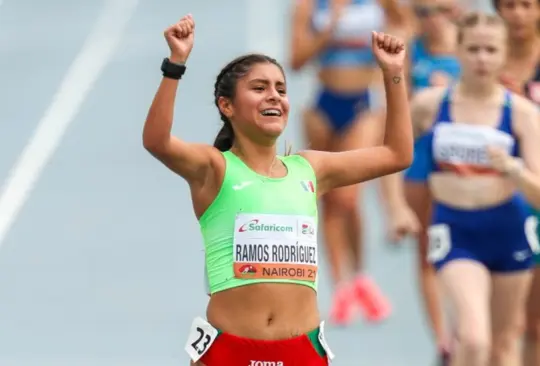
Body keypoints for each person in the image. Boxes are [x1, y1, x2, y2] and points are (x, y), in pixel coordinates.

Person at [143, 14, 412, 366]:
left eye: (281, 89)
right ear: (227, 106)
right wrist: (175, 64)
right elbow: (157, 141)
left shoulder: (310, 169)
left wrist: (393, 74)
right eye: (259, 88)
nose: (274, 96)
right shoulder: (214, 168)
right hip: (230, 352)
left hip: (300, 350)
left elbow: (397, 154)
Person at [398, 12, 540, 366]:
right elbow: (393, 155)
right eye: (473, 49)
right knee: (474, 339)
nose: (481, 58)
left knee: (503, 346)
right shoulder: (430, 105)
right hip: (455, 228)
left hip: (509, 228)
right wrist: (396, 206)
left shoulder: (522, 113)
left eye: (491, 50)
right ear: (457, 50)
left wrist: (515, 170)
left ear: (504, 54)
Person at [289, 0, 408, 326]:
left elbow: (408, 25)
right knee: (327, 200)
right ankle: (342, 286)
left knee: (348, 197)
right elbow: (296, 60)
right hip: (322, 106)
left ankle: (361, 277)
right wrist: (327, 30)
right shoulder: (308, 6)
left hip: (363, 105)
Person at [380, 0, 461, 363]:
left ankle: (467, 327)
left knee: (464, 247)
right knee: (428, 252)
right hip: (422, 160)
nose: (434, 19)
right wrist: (394, 206)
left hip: (462, 162)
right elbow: (394, 121)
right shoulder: (410, 49)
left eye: (443, 10)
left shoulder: (474, 47)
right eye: (425, 11)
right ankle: (443, 340)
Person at [494, 0, 540, 364]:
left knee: (536, 323)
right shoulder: (486, 58)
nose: (518, 14)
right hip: (499, 197)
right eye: (509, 5)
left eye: (526, 4)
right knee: (506, 324)